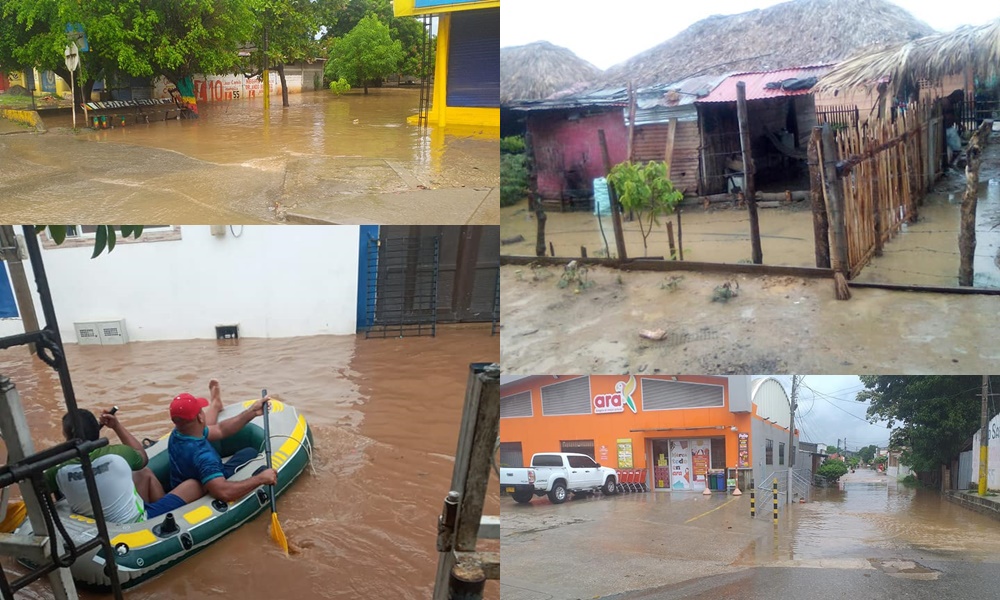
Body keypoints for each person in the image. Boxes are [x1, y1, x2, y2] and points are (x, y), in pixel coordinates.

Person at [43, 408, 203, 524]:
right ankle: (159, 521)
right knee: (193, 484)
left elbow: (38, 490)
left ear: (67, 438)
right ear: (96, 432)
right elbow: (142, 457)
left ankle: (159, 511)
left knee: (144, 474)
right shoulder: (117, 454)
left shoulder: (57, 470)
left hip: (94, 525)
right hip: (131, 525)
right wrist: (117, 426)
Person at [168, 379, 277, 503]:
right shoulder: (204, 456)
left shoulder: (178, 433)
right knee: (250, 453)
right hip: (204, 487)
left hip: (183, 484)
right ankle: (215, 404)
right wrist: (260, 479)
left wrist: (252, 412)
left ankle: (216, 404)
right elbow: (224, 492)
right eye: (201, 411)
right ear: (200, 417)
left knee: (246, 452)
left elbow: (220, 430)